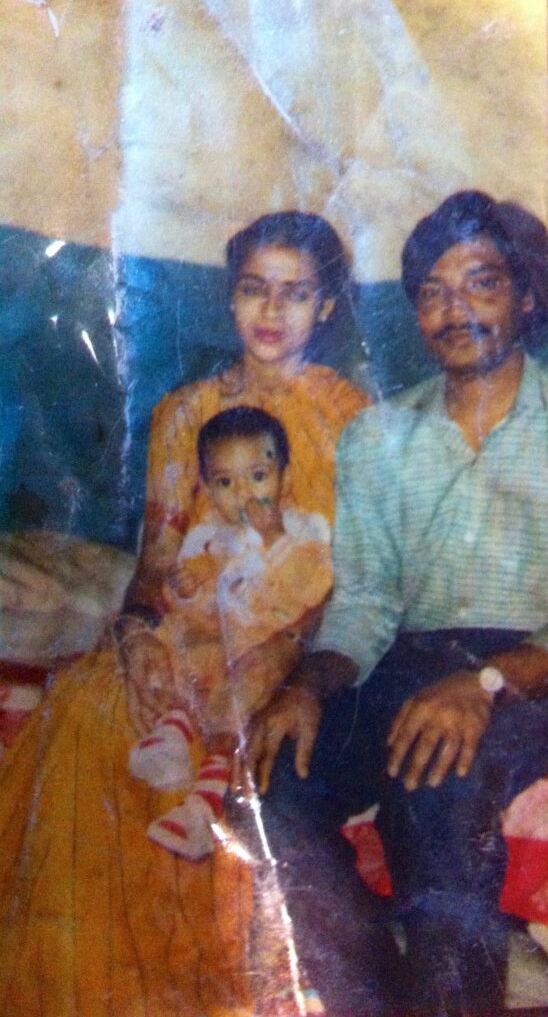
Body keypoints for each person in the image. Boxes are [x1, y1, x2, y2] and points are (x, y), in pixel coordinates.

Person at [248, 191, 548, 1016]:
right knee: (269, 792)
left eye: (481, 283)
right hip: (418, 665)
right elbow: (364, 602)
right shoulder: (378, 437)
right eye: (432, 292)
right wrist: (307, 685)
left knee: (437, 782)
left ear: (528, 295)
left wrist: (486, 686)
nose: (454, 310)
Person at [0, 212, 368, 1016]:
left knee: (226, 716)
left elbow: (347, 576)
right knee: (94, 704)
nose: (271, 313)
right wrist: (134, 639)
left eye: (295, 294)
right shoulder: (180, 412)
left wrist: (281, 656)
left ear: (327, 308)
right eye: (252, 291)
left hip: (294, 642)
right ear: (229, 299)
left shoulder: (352, 419)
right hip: (187, 627)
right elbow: (158, 565)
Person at [128, 405, 333, 861]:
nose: (243, 493)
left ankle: (201, 810)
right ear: (205, 486)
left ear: (284, 474)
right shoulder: (209, 535)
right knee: (178, 649)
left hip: (267, 643)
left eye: (258, 476)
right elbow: (188, 586)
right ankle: (174, 731)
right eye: (225, 483)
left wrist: (275, 536)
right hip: (213, 638)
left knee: (245, 690)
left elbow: (314, 587)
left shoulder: (303, 531)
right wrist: (187, 582)